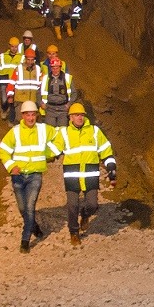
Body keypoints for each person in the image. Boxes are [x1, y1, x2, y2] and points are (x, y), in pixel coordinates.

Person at [50, 103, 116, 245]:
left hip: (90, 175)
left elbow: (106, 150)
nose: (80, 117)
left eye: (81, 115)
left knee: (92, 205)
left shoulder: (94, 131)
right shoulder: (64, 133)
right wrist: (40, 155)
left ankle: (85, 215)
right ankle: (74, 232)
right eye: (76, 115)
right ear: (70, 117)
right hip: (72, 176)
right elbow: (53, 150)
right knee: (72, 206)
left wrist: (111, 168)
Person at [0, 101, 56, 253]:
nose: (31, 118)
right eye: (28, 115)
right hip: (18, 176)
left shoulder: (43, 130)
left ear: (36, 115)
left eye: (33, 115)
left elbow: (60, 137)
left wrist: (48, 153)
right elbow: (3, 150)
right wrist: (11, 166)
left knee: (30, 207)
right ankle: (34, 226)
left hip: (35, 176)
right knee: (23, 209)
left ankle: (25, 240)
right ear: (23, 116)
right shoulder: (15, 132)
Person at [6, 49, 43, 123]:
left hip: (33, 101)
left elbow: (42, 84)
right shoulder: (18, 69)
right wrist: (10, 96)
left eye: (32, 60)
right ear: (25, 59)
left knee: (31, 122)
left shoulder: (38, 69)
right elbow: (11, 83)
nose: (30, 62)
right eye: (28, 59)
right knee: (20, 121)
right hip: (20, 100)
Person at [0, 37, 23, 121]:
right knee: (4, 100)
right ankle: (4, 109)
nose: (14, 48)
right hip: (4, 82)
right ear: (9, 46)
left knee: (13, 100)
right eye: (12, 46)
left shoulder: (22, 57)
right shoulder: (2, 56)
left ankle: (12, 117)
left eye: (16, 47)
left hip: (15, 82)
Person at [39, 56, 75, 127]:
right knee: (50, 130)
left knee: (62, 130)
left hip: (63, 109)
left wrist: (69, 104)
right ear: (51, 68)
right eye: (53, 68)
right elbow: (38, 93)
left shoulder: (67, 78)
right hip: (49, 109)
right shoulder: (45, 78)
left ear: (60, 68)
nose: (55, 70)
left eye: (57, 68)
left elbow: (74, 93)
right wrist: (41, 103)